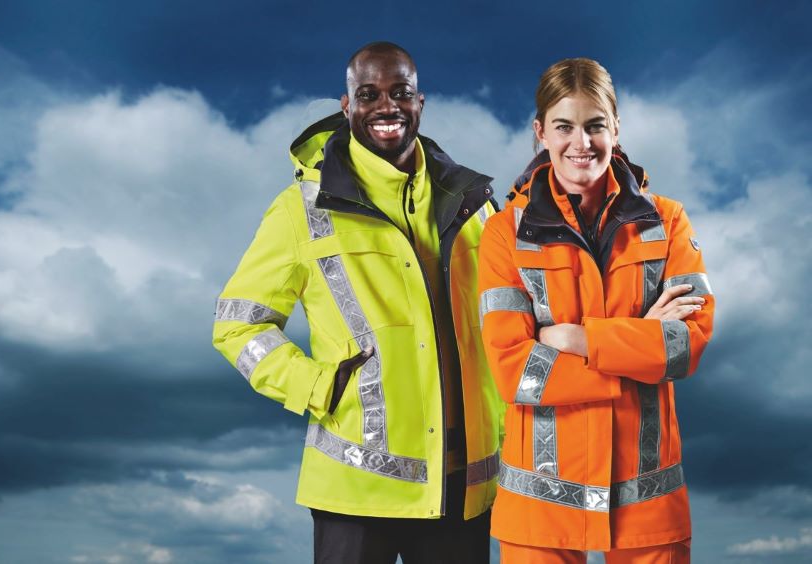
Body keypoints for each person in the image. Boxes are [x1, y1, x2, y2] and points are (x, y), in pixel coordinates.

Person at [212, 42, 503, 563]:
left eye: (400, 93)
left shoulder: (475, 204)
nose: (386, 107)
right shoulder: (300, 208)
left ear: (421, 102)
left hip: (463, 484)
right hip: (354, 483)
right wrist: (321, 387)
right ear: (347, 108)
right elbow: (237, 327)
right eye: (369, 95)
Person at [477, 58, 714, 563]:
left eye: (595, 126)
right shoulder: (503, 234)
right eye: (564, 127)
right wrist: (637, 346)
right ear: (541, 132)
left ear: (616, 128)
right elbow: (512, 371)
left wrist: (575, 340)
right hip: (540, 511)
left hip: (648, 510)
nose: (580, 143)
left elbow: (686, 347)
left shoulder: (667, 223)